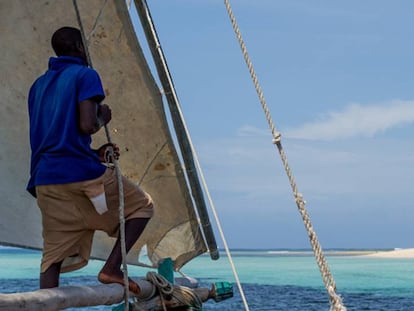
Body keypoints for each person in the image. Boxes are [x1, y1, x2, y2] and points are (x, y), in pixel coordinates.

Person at [27, 26, 154, 294]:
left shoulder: (37, 86)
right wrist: (101, 119)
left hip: (46, 181)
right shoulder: (85, 75)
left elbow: (54, 137)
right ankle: (111, 269)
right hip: (82, 178)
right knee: (142, 206)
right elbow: (86, 124)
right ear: (78, 47)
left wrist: (94, 153)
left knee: (52, 259)